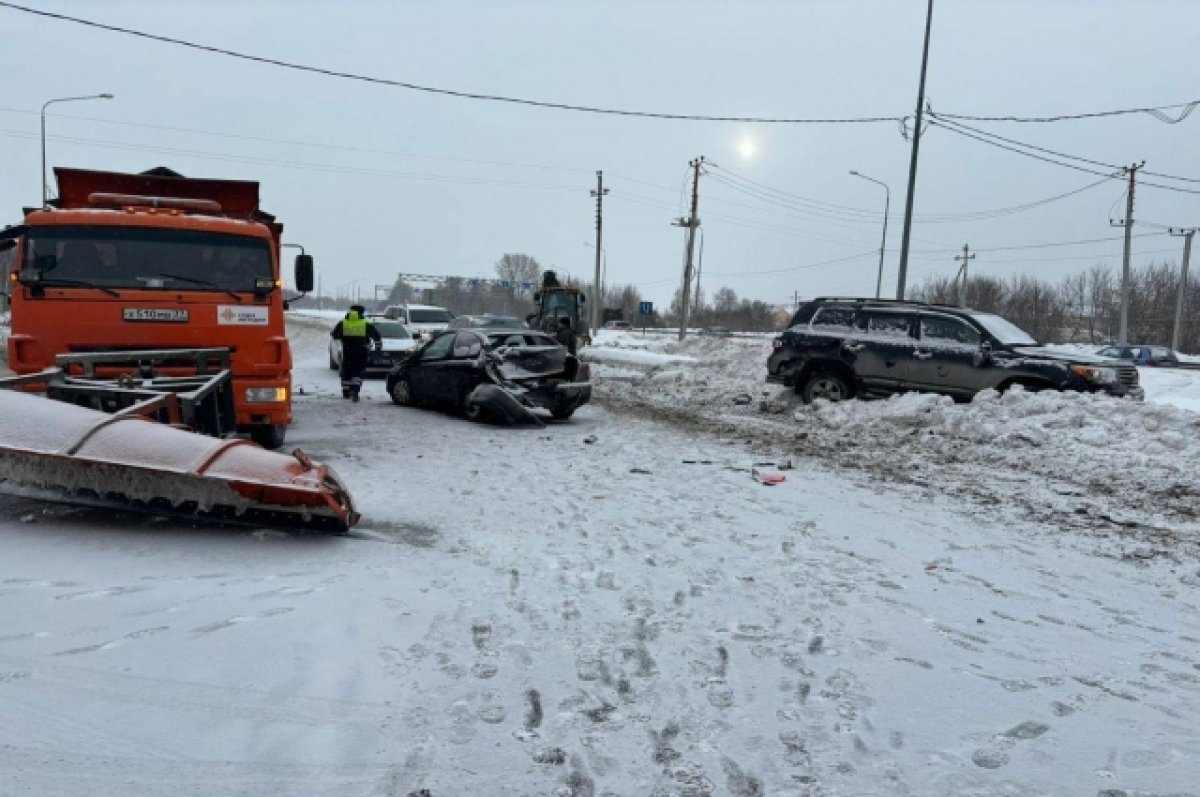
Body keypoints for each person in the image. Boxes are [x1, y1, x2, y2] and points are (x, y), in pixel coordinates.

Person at [330, 304, 382, 402]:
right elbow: (377, 336)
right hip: (361, 351)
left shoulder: (343, 322)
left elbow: (335, 335)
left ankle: (346, 392)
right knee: (358, 370)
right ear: (361, 313)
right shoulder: (365, 323)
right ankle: (355, 390)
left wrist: (344, 338)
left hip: (347, 351)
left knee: (347, 371)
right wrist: (378, 348)